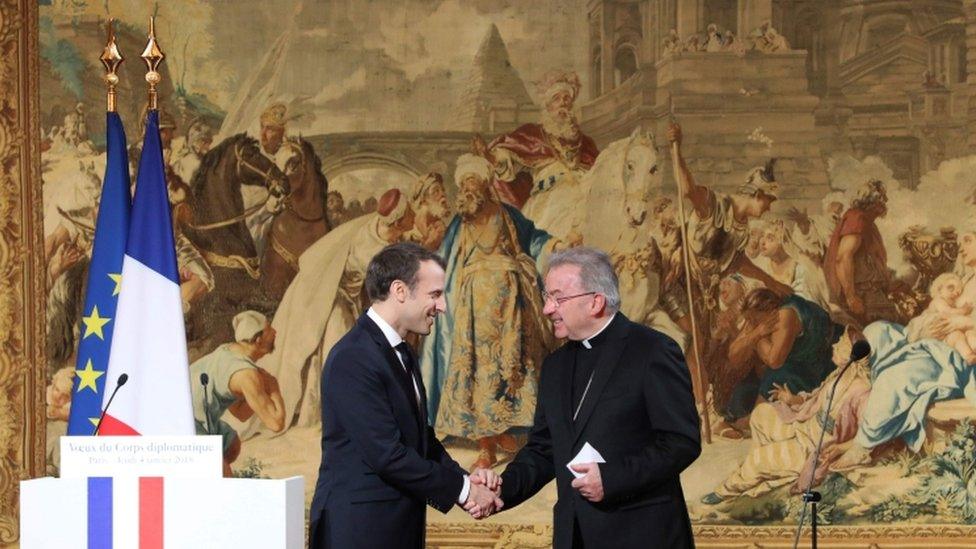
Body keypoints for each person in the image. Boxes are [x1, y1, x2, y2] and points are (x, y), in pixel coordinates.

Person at [489, 247, 701, 549]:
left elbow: (681, 442)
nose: (548, 309)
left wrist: (613, 478)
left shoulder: (652, 350)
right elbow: (544, 450)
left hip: (643, 536)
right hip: (574, 537)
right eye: (547, 298)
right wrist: (501, 489)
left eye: (557, 298)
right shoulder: (555, 365)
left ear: (595, 301)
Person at [309, 243, 501, 549]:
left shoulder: (403, 353)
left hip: (395, 529)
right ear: (400, 290)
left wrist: (466, 479)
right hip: (360, 533)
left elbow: (420, 441)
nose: (443, 307)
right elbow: (387, 454)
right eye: (435, 294)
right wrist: (464, 491)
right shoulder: (353, 356)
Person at [422, 154, 556, 470]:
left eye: (474, 184)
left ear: (484, 185)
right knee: (480, 368)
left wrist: (554, 245)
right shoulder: (460, 222)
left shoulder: (506, 215)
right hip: (474, 307)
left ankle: (505, 434)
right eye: (464, 185)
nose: (468, 190)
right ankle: (486, 445)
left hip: (509, 302)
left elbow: (534, 239)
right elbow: (443, 260)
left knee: (510, 365)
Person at [253, 187, 420, 432]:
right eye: (409, 213)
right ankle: (334, 415)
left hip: (344, 298)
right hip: (331, 298)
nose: (414, 215)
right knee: (340, 355)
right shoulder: (376, 251)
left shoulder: (376, 225)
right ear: (397, 220)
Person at [702, 326, 871, 504]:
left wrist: (840, 448)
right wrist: (791, 399)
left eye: (841, 343)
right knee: (761, 414)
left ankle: (726, 490)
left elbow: (868, 436)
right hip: (805, 427)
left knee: (759, 459)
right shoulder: (838, 375)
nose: (835, 344)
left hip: (814, 447)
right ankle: (768, 472)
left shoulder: (862, 391)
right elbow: (814, 399)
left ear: (852, 355)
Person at [476, 71, 599, 212]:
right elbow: (504, 158)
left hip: (583, 195)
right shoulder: (531, 134)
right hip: (549, 200)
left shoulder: (586, 142)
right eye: (556, 99)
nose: (563, 104)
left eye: (567, 98)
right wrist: (490, 157)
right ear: (548, 107)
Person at [190, 310, 285, 476]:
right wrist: (274, 388)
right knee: (224, 477)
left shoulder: (229, 350)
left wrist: (259, 391)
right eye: (269, 329)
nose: (275, 332)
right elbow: (276, 423)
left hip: (198, 416)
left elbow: (240, 413)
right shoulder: (246, 374)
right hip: (179, 421)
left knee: (231, 444)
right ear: (258, 339)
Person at [823, 179, 900, 325]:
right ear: (872, 201)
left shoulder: (867, 223)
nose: (886, 202)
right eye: (883, 198)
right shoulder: (857, 218)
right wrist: (851, 297)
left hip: (871, 293)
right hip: (862, 296)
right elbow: (843, 258)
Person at [909, 272, 976, 363]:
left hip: (944, 332)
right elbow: (947, 312)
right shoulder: (938, 301)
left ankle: (969, 355)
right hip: (931, 327)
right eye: (951, 288)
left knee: (957, 336)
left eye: (958, 291)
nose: (955, 293)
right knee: (957, 335)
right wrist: (963, 310)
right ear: (939, 289)